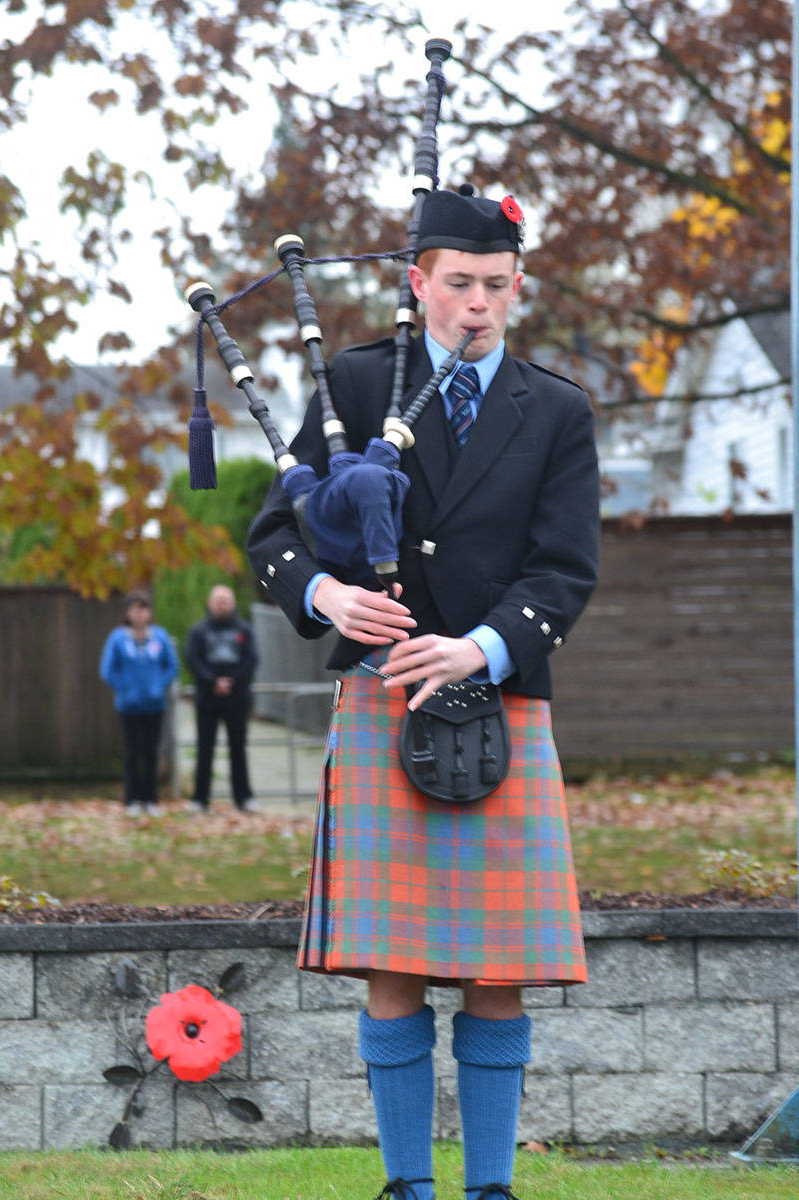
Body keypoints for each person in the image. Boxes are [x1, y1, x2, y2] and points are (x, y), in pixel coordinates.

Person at [247, 188, 600, 1200]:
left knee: (499, 971)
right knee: (389, 964)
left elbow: (565, 568)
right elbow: (278, 534)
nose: (476, 306)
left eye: (495, 286)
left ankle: (486, 1188)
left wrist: (479, 648)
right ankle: (407, 1187)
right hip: (381, 699)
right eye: (457, 284)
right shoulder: (355, 385)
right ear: (417, 283)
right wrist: (328, 596)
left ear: (518, 287)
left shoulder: (558, 409)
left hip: (501, 701)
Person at [99, 588, 178, 817]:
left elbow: (171, 667)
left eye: (144, 609)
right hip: (129, 706)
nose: (140, 614)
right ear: (128, 613)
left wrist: (158, 686)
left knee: (151, 753)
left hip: (155, 705)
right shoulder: (118, 638)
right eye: (136, 609)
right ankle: (132, 799)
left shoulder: (160, 637)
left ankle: (151, 799)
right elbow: (107, 670)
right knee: (133, 753)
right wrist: (125, 688)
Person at [184, 584, 258, 812]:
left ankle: (243, 798)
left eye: (226, 600)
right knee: (204, 748)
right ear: (210, 603)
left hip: (237, 698)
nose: (222, 604)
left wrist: (231, 682)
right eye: (218, 600)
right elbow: (192, 659)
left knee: (238, 749)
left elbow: (251, 660)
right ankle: (200, 799)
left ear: (233, 603)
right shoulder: (199, 632)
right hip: (208, 698)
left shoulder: (244, 631)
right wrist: (213, 681)